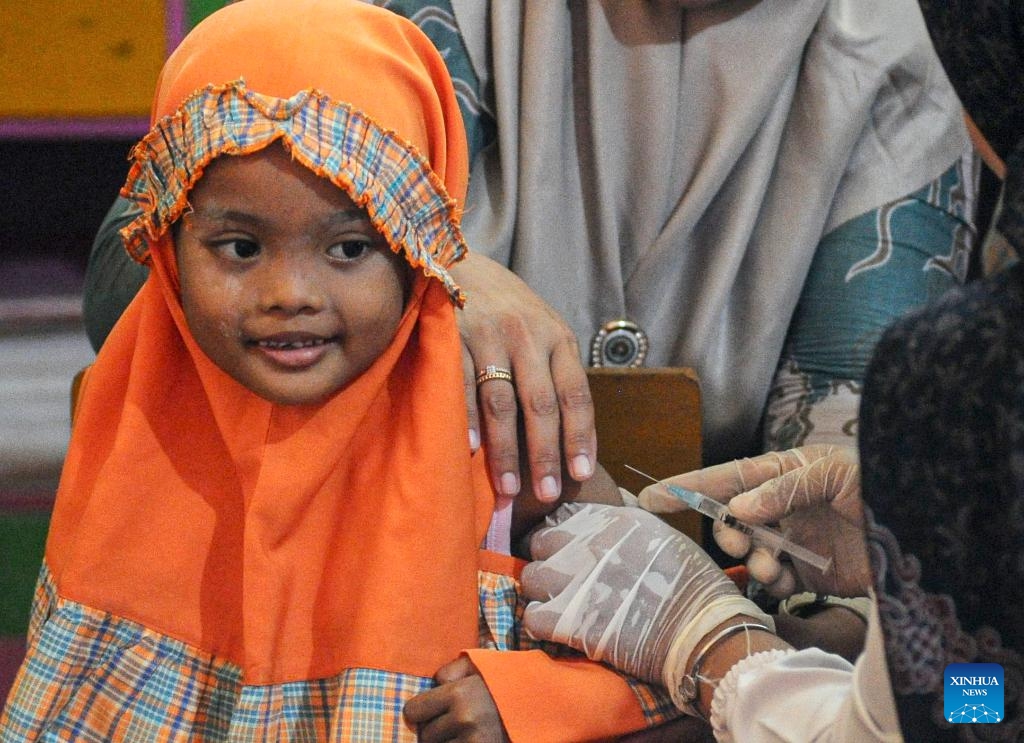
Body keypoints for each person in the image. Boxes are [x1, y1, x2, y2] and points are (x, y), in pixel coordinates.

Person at [0, 2, 686, 740]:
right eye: (238, 248)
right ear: (166, 243)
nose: (290, 294)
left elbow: (683, 648)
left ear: (421, 247)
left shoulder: (498, 431)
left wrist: (534, 703)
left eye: (351, 248)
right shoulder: (138, 418)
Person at [82, 0, 975, 505]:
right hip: (383, 550)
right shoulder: (416, 14)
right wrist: (442, 274)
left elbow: (845, 486)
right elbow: (132, 278)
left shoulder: (900, 46)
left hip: (713, 618)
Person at [520, 140, 1024, 742]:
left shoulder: (988, 373)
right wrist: (921, 587)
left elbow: (944, 727)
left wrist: (714, 647)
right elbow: (985, 703)